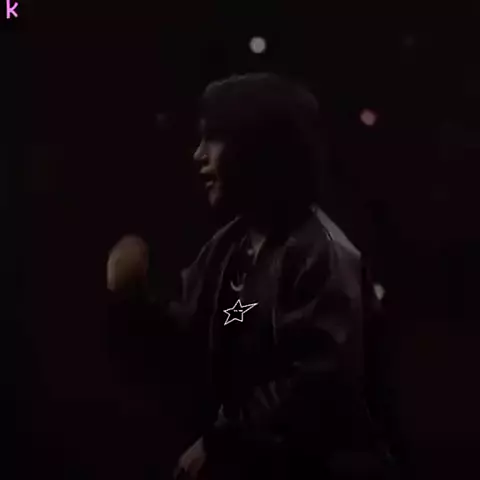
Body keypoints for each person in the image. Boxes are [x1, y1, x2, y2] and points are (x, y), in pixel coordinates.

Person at [107, 73, 396, 479]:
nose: (198, 155)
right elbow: (188, 336)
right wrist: (136, 306)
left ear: (261, 149)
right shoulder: (229, 245)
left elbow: (317, 385)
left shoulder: (324, 254)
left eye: (213, 139)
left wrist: (221, 441)